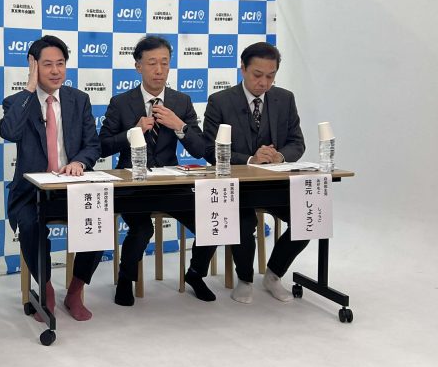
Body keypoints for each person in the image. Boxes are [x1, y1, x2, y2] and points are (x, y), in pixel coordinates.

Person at [99, 35, 212, 305]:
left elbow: (200, 149)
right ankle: (125, 279)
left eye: (164, 62)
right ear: (138, 66)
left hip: (169, 184)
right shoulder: (121, 102)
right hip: (132, 185)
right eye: (152, 63)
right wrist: (132, 132)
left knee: (211, 220)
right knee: (141, 230)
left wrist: (179, 126)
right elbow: (102, 146)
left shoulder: (181, 101)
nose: (159, 70)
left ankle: (195, 274)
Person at [0, 35, 102, 321]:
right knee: (30, 226)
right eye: (47, 65)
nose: (56, 71)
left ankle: (75, 290)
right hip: (31, 192)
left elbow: (93, 145)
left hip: (72, 188)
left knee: (98, 220)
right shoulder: (17, 102)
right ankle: (45, 289)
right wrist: (30, 88)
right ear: (33, 66)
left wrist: (79, 162)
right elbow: (9, 132)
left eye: (61, 63)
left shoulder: (78, 100)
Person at [202, 41, 306, 303]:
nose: (264, 83)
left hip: (274, 185)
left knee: (309, 218)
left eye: (271, 76)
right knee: (244, 223)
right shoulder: (220, 102)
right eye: (257, 75)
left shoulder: (285, 99)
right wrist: (251, 159)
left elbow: (297, 142)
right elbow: (211, 151)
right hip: (237, 187)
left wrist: (278, 156)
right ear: (243, 69)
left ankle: (274, 274)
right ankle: (245, 279)